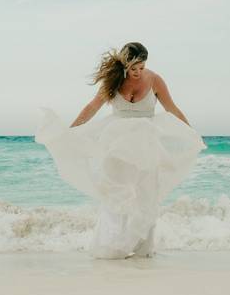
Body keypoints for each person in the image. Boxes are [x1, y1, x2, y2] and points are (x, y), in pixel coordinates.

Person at [35, 42, 207, 259]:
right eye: (133, 68)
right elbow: (92, 107)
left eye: (141, 67)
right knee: (116, 193)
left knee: (146, 194)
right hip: (116, 145)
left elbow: (172, 108)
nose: (137, 72)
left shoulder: (154, 80)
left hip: (146, 145)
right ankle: (113, 246)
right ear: (125, 64)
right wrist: (71, 131)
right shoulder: (113, 80)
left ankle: (143, 247)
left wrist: (190, 131)